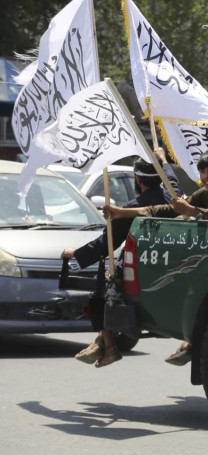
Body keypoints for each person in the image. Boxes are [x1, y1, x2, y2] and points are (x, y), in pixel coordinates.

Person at [103, 148, 208, 365]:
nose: (206, 176)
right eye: (203, 171)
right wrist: (121, 212)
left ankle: (192, 343)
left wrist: (193, 211)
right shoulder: (204, 194)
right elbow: (166, 210)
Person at [62, 150, 178, 368]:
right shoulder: (174, 199)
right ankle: (102, 342)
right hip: (174, 266)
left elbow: (107, 244)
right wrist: (163, 160)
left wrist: (75, 254)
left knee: (99, 295)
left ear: (138, 179)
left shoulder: (131, 208)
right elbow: (172, 179)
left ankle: (107, 343)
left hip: (142, 269)